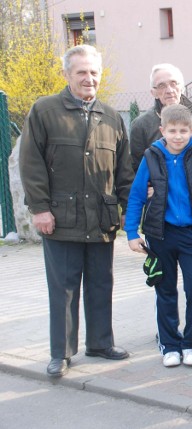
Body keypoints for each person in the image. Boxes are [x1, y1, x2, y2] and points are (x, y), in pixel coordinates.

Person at [19, 45, 134, 377]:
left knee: (101, 283)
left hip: (101, 218)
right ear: (67, 74)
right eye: (81, 72)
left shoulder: (112, 117)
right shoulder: (44, 111)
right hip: (60, 219)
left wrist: (129, 212)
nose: (89, 78)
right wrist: (39, 209)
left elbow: (123, 171)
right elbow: (31, 164)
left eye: (94, 72)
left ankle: (100, 342)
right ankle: (61, 352)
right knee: (64, 287)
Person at [129, 64, 192, 340]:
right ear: (153, 91)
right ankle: (167, 330)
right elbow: (136, 169)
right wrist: (148, 191)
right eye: (162, 85)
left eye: (173, 83)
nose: (169, 89)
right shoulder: (142, 125)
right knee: (165, 283)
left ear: (182, 86)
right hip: (162, 221)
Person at [124, 104, 192, 367]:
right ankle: (170, 345)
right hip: (160, 234)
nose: (178, 136)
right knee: (165, 289)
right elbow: (137, 195)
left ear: (191, 130)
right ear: (162, 130)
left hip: (191, 234)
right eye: (172, 130)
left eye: (183, 131)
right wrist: (131, 232)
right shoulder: (151, 156)